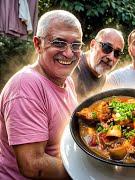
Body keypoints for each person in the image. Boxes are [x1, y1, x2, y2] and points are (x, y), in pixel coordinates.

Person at [0, 10, 83, 179]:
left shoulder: (66, 80)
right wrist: (86, 171)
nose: (68, 53)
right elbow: (33, 165)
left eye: (76, 45)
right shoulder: (25, 86)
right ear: (38, 44)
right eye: (59, 43)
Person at [72, 28, 124, 102]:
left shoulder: (104, 78)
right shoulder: (72, 68)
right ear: (93, 45)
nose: (111, 57)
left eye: (117, 53)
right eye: (107, 48)